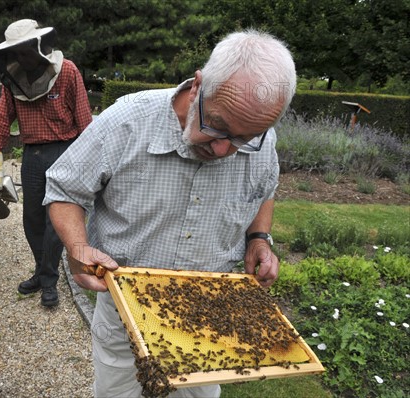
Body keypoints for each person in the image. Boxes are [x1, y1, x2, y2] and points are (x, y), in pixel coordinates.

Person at [44, 30, 296, 397]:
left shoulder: (260, 141)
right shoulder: (128, 120)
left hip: (209, 320)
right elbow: (65, 189)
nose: (226, 148)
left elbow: (264, 190)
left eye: (244, 139)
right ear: (198, 86)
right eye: (218, 127)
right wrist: (77, 245)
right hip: (125, 311)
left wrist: (259, 238)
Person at [0, 19, 92, 307]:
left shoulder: (67, 71)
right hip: (31, 156)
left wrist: (89, 164)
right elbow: (2, 119)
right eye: (15, 53)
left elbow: (85, 122)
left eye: (24, 50)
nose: (20, 57)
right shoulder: (14, 80)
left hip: (65, 154)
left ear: (39, 46)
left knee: (55, 222)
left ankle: (48, 280)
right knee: (32, 220)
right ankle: (43, 270)